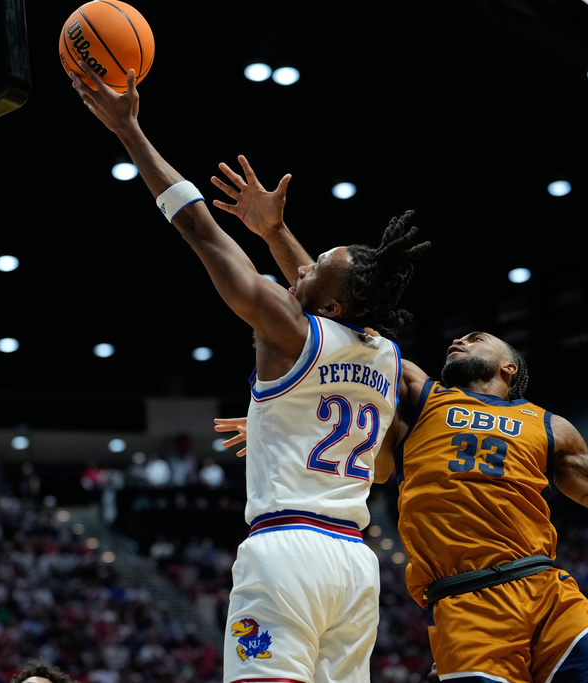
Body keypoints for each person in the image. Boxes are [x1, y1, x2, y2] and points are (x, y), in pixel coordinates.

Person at [209, 159, 588, 683]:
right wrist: (287, 405)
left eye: (478, 337)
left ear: (509, 369)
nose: (461, 337)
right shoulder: (419, 394)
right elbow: (337, 316)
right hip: (466, 603)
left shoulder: (551, 428)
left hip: (546, 589)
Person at [71, 65, 429, 683]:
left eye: (318, 265)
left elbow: (201, 231)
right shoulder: (387, 359)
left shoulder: (285, 327)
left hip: (286, 551)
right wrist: (279, 421)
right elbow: (386, 467)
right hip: (354, 563)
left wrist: (130, 132)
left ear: (330, 302)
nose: (305, 265)